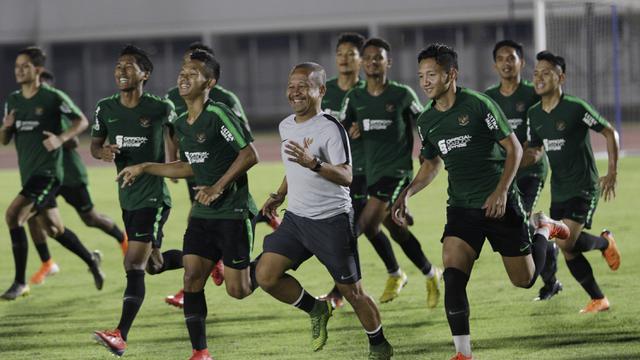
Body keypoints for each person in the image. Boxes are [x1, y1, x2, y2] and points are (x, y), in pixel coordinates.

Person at [391, 44, 569, 360]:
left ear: (451, 75)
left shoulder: (478, 105)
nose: (426, 81)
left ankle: (542, 228)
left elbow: (514, 149)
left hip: (500, 203)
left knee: (524, 280)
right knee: (453, 275)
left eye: (432, 74)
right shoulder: (428, 120)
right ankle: (463, 353)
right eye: (421, 76)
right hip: (461, 207)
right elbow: (431, 164)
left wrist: (501, 192)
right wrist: (406, 193)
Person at [118, 49, 259, 360]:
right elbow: (189, 166)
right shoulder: (181, 123)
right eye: (182, 71)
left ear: (208, 82)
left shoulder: (218, 114)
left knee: (239, 290)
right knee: (192, 277)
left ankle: (269, 265)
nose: (183, 76)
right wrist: (145, 167)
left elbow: (249, 154)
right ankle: (201, 352)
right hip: (202, 214)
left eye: (192, 73)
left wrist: (219, 187)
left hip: (233, 212)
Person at [256, 62, 394, 359]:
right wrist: (278, 195)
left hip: (332, 221)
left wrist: (315, 163)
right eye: (291, 86)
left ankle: (380, 345)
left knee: (353, 292)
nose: (295, 92)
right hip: (296, 219)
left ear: (321, 90)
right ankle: (316, 308)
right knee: (265, 275)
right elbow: (293, 167)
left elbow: (346, 175)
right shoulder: (286, 126)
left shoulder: (330, 127)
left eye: (303, 86)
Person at [91, 45, 183, 356]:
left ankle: (120, 334)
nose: (121, 71)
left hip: (153, 197)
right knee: (155, 265)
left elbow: (177, 133)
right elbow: (94, 145)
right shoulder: (105, 109)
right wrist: (102, 152)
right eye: (118, 66)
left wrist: (173, 163)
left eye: (128, 67)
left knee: (133, 263)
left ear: (145, 74)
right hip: (127, 197)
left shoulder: (160, 107)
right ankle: (209, 259)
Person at [342, 37, 440, 306]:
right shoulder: (355, 97)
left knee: (362, 225)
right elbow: (341, 129)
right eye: (369, 57)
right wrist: (351, 131)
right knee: (394, 229)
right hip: (370, 173)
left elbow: (425, 122)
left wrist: (426, 149)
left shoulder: (401, 94)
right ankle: (430, 273)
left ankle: (353, 290)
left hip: (397, 172)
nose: (373, 62)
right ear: (362, 63)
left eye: (379, 57)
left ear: (388, 62)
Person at [0, 46, 104, 300]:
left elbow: (81, 120)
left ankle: (20, 282)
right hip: (29, 174)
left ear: (38, 70)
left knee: (14, 216)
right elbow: (4, 140)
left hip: (48, 173)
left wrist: (61, 138)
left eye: (25, 66)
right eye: (17, 66)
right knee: (55, 229)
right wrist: (6, 127)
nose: (19, 70)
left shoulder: (52, 97)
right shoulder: (13, 101)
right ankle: (91, 259)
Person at [524, 50, 621, 313]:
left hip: (584, 186)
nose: (539, 77)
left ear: (561, 77)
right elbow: (533, 151)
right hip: (560, 190)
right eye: (536, 73)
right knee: (568, 248)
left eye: (546, 73)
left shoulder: (576, 107)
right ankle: (599, 296)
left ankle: (604, 245)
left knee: (566, 241)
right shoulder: (534, 114)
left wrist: (612, 171)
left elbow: (609, 132)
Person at [26, 70, 128, 286]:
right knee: (32, 215)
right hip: (47, 175)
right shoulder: (29, 110)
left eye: (42, 86)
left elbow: (73, 141)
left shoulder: (60, 110)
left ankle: (122, 238)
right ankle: (47, 262)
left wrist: (59, 138)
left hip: (70, 175)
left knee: (90, 218)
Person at [485, 40, 561, 301]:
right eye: (501, 58)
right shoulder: (489, 99)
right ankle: (548, 248)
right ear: (495, 65)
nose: (507, 63)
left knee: (522, 222)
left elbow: (536, 145)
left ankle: (549, 280)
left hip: (532, 172)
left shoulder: (533, 94)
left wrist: (527, 152)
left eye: (512, 58)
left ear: (521, 63)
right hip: (504, 177)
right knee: (524, 226)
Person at [317, 32, 366, 309]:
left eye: (351, 54)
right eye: (340, 54)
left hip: (358, 172)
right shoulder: (326, 90)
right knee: (358, 230)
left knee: (352, 230)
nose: (344, 59)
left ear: (360, 60)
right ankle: (404, 272)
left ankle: (342, 291)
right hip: (327, 173)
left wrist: (363, 130)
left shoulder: (367, 91)